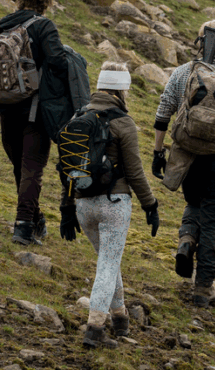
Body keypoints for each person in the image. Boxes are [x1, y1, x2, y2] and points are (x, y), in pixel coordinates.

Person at [151, 19, 215, 308]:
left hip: (186, 157)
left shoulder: (185, 72)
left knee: (194, 204)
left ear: (200, 41)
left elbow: (163, 111)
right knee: (213, 220)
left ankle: (186, 241)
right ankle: (204, 287)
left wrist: (158, 151)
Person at [59, 62, 160, 348]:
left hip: (82, 206)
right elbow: (135, 171)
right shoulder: (123, 122)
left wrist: (66, 208)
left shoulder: (78, 117)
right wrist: (150, 206)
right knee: (107, 264)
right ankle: (94, 329)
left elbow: (67, 169)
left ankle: (120, 319)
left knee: (109, 262)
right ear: (123, 89)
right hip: (114, 204)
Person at [0, 0, 70, 246]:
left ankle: (34, 219)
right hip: (35, 111)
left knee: (20, 168)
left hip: (6, 108)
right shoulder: (44, 26)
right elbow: (58, 63)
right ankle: (24, 226)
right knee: (31, 170)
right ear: (46, 1)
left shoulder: (4, 25)